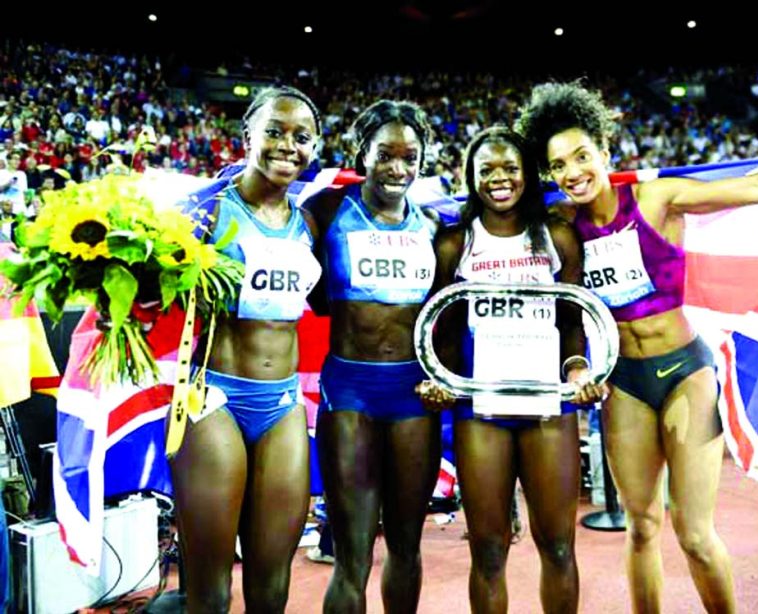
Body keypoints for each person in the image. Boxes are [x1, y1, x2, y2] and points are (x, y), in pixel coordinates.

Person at [517, 81, 758, 613]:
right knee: (640, 527)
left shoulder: (658, 197)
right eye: (558, 164)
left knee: (694, 533)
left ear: (605, 151)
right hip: (624, 385)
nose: (573, 172)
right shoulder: (562, 224)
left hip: (685, 372)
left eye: (582, 155)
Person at [421, 126, 603, 613]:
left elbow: (572, 322)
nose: (499, 179)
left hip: (546, 403)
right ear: (471, 176)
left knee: (559, 545)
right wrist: (440, 380)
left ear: (527, 173)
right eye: (487, 170)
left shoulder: (558, 237)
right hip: (482, 408)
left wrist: (579, 370)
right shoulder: (454, 243)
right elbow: (442, 328)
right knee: (488, 549)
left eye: (510, 168)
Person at [170, 85, 323, 613]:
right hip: (214, 398)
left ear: (316, 146)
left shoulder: (308, 221)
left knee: (272, 584)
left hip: (281, 404)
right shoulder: (205, 209)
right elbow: (153, 290)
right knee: (211, 592)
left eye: (301, 137)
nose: (288, 145)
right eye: (274, 132)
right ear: (246, 138)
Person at [306, 99, 442, 613]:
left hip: (413, 391)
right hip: (350, 390)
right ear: (363, 152)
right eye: (386, 154)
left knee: (406, 547)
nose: (398, 168)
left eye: (410, 157)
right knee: (352, 555)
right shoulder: (328, 210)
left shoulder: (431, 226)